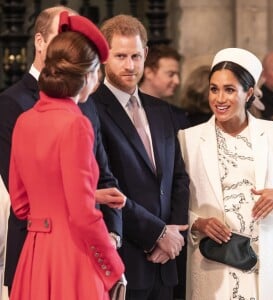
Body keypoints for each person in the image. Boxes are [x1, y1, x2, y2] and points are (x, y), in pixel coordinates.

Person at [0, 6, 125, 294]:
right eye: (97, 73)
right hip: (71, 254)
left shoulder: (25, 120)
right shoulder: (75, 124)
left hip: (34, 254)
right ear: (88, 75)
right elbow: (82, 215)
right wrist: (112, 263)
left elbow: (21, 204)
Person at [178, 47, 273, 300]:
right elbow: (172, 202)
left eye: (230, 90)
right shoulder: (187, 139)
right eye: (214, 89)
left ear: (249, 93)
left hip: (265, 263)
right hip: (213, 263)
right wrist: (198, 223)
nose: (220, 98)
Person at [92, 14, 190, 300]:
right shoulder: (92, 110)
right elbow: (106, 187)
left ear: (145, 54)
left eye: (136, 55)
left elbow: (179, 177)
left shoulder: (162, 110)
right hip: (125, 257)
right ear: (104, 56)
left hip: (167, 259)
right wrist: (157, 234)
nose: (130, 65)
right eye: (120, 56)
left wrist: (174, 231)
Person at [140, 44, 189, 130]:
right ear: (149, 73)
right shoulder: (128, 110)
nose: (177, 81)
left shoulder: (178, 115)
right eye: (171, 74)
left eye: (178, 74)